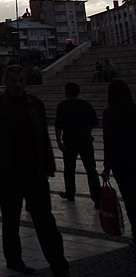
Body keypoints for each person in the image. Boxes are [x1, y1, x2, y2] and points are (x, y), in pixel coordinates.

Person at [0, 65, 69, 277]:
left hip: (35, 171)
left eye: (21, 80)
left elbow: (43, 136)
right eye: (13, 81)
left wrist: (49, 163)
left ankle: (58, 263)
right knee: (10, 220)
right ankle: (13, 259)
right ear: (6, 83)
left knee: (45, 220)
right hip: (9, 172)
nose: (18, 85)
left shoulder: (35, 104)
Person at [101, 79, 136, 248]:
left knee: (130, 198)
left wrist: (106, 167)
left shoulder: (110, 113)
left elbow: (109, 142)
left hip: (121, 163)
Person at [54, 82, 100, 206]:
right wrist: (85, 129)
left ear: (67, 92)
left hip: (70, 141)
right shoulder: (86, 105)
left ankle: (70, 193)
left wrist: (58, 141)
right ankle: (96, 197)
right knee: (91, 169)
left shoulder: (62, 106)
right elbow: (95, 122)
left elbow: (58, 125)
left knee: (69, 169)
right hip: (85, 140)